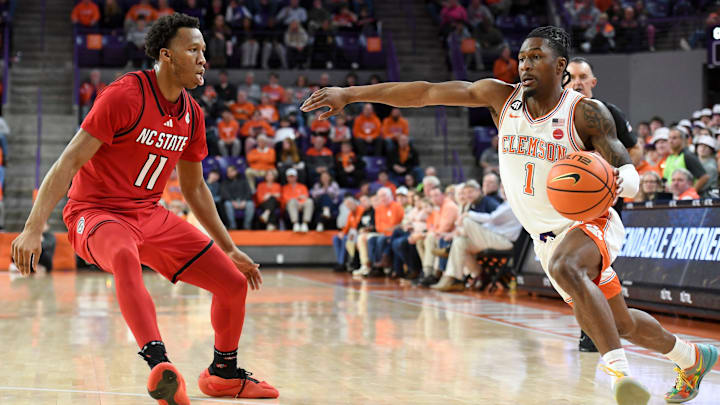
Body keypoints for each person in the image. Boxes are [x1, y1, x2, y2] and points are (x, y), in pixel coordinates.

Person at [301, 25, 717, 405]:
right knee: (620, 322)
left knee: (568, 267)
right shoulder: (501, 99)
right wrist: (351, 94)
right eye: (521, 57)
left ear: (560, 66)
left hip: (590, 222)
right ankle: (693, 357)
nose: (524, 64)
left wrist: (622, 180)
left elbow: (624, 164)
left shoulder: (586, 113)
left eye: (535, 57)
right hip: (544, 235)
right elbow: (424, 92)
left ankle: (617, 374)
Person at [11, 14, 278, 404]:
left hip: (150, 216)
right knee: (123, 252)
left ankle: (223, 373)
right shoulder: (125, 96)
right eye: (194, 50)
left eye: (204, 50)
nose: (204, 59)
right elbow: (67, 161)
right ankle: (159, 365)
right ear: (167, 56)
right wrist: (34, 227)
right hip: (95, 212)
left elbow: (195, 188)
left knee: (233, 283)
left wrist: (229, 247)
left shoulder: (192, 114)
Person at [566, 56, 640, 353]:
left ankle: (596, 330)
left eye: (583, 76)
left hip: (603, 200)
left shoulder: (609, 113)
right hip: (569, 200)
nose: (578, 81)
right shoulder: (559, 116)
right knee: (574, 267)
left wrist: (620, 175)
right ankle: (597, 326)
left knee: (596, 265)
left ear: (593, 82)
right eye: (572, 77)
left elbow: (633, 147)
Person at [664, 127, 708, 193]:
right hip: (673, 196)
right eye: (669, 138)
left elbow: (704, 177)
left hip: (686, 199)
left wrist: (692, 193)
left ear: (682, 140)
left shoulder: (687, 156)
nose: (670, 141)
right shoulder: (669, 158)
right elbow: (666, 178)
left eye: (674, 138)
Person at [221, 165, 255, 230]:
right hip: (231, 201)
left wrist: (244, 200)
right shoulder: (225, 182)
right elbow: (224, 193)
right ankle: (232, 226)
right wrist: (232, 201)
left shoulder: (243, 181)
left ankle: (247, 226)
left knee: (250, 204)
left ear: (236, 171)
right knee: (227, 204)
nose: (229, 173)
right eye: (228, 172)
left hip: (243, 201)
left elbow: (248, 192)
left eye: (231, 171)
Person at [282, 168, 313, 232]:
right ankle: (295, 223)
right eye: (290, 177)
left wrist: (300, 203)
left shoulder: (303, 186)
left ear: (296, 177)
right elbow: (285, 199)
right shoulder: (284, 188)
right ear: (287, 178)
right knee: (292, 201)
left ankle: (305, 223)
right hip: (291, 205)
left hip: (302, 204)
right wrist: (298, 198)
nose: (291, 178)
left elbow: (305, 197)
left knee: (309, 201)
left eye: (293, 176)